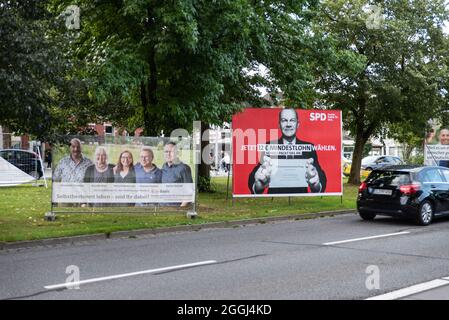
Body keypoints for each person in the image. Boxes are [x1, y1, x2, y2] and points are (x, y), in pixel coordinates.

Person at [248, 108, 327, 194]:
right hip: (276, 198)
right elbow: (255, 175)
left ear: (298, 124)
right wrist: (258, 185)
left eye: (292, 120)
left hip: (300, 198)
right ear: (279, 125)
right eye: (284, 120)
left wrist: (316, 185)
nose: (288, 124)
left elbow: (320, 175)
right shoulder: (270, 146)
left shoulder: (308, 147)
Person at [161, 141, 193, 207]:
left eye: (171, 152)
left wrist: (180, 208)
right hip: (163, 207)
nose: (168, 154)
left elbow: (189, 192)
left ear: (177, 153)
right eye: (166, 152)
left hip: (176, 208)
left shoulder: (184, 168)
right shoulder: (164, 166)